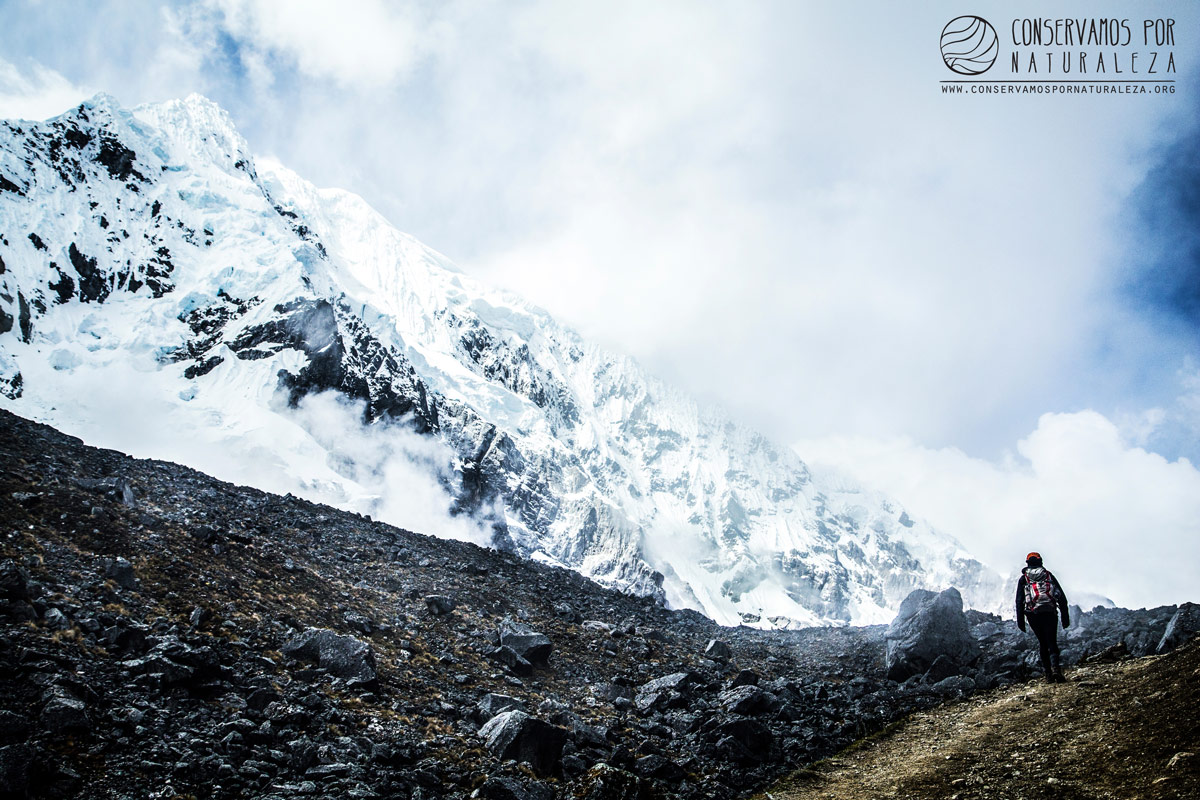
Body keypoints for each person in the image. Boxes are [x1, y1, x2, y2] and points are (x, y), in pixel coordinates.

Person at [1015, 552, 1070, 684]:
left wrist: (1020, 622)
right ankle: (1056, 670)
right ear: (1040, 562)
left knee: (1042, 643)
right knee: (1052, 641)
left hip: (1033, 614)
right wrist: (1065, 618)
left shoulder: (1024, 579)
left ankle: (1048, 675)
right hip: (1050, 612)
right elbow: (1061, 597)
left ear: (1027, 563)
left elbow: (1019, 601)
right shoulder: (1048, 576)